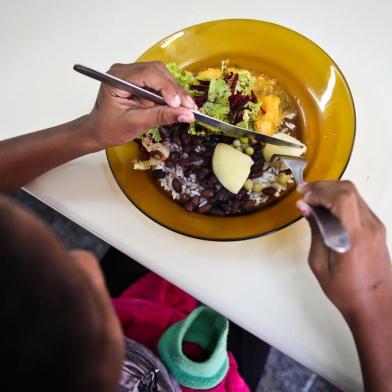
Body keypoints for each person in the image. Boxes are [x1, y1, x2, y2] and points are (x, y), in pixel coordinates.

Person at [0, 62, 391, 392]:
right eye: (77, 288)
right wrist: (372, 302)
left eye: (65, 253)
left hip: (134, 309)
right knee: (250, 307)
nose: (87, 258)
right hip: (209, 366)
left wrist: (86, 132)